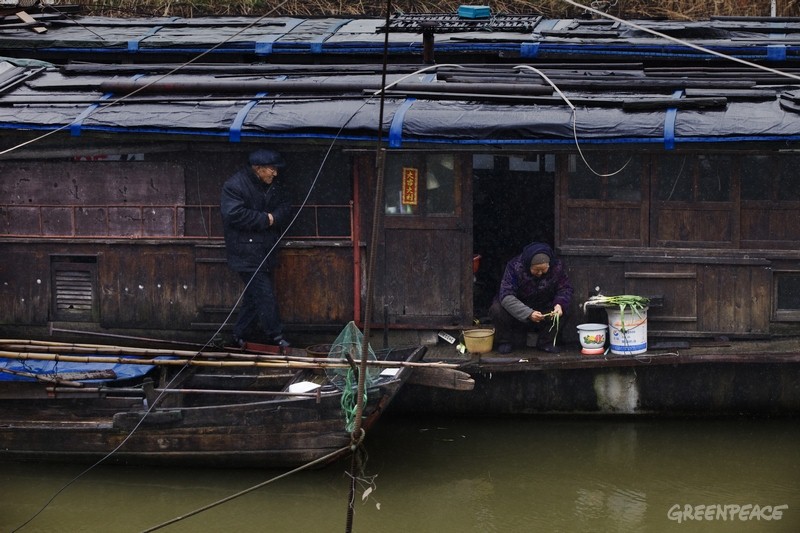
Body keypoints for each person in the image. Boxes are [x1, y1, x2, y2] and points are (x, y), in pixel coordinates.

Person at [220, 149, 292, 348]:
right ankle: (276, 336)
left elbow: (286, 206)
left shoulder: (274, 185)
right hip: (245, 252)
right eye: (271, 169)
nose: (275, 174)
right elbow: (233, 214)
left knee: (254, 297)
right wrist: (266, 219)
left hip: (266, 250)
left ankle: (238, 335)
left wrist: (275, 217)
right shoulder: (234, 185)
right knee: (264, 294)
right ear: (258, 169)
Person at [489, 242, 573, 354]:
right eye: (536, 270)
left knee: (565, 308)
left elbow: (565, 289)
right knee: (497, 309)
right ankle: (505, 341)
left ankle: (546, 342)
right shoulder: (514, 266)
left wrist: (559, 304)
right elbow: (506, 296)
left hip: (543, 304)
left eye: (543, 270)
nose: (540, 273)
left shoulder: (557, 267)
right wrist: (528, 313)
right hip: (519, 307)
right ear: (528, 265)